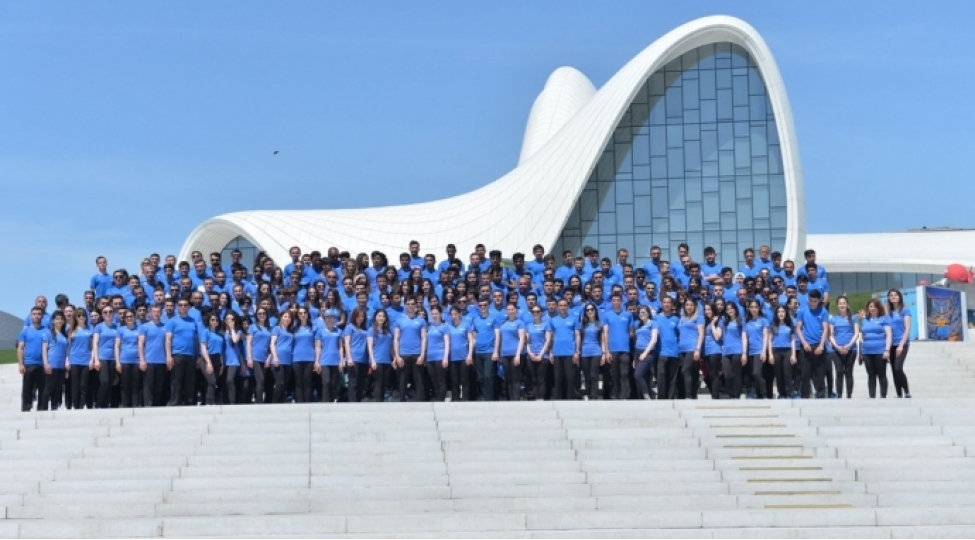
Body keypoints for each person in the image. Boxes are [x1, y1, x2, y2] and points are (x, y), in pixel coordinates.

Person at [165, 298, 200, 406]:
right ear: (177, 307)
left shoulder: (193, 321)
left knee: (189, 380)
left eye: (185, 305)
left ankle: (189, 401)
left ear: (189, 307)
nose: (183, 307)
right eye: (180, 305)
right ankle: (175, 401)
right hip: (177, 354)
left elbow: (196, 339)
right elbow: (168, 339)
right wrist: (168, 356)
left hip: (191, 355)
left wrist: (197, 355)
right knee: (176, 380)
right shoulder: (172, 321)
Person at [795, 290, 829, 398]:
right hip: (806, 346)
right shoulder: (802, 311)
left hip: (818, 345)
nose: (812, 303)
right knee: (805, 372)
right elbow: (798, 328)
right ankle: (805, 395)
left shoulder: (823, 312)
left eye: (815, 301)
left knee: (819, 372)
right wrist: (804, 343)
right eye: (811, 300)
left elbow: (825, 329)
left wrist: (821, 345)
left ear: (819, 300)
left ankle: (820, 395)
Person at [394, 297, 427, 402]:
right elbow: (396, 339)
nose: (410, 306)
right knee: (402, 381)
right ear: (405, 305)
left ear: (416, 305)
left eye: (413, 304)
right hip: (403, 354)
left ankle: (420, 402)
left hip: (417, 353)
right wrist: (397, 356)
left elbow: (423, 338)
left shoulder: (421, 321)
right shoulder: (399, 321)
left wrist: (422, 355)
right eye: (408, 304)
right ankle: (402, 401)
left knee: (419, 381)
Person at [603, 294, 634, 400]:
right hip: (612, 349)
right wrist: (606, 351)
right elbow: (605, 333)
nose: (616, 302)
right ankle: (615, 396)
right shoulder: (607, 315)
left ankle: (624, 396)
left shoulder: (628, 315)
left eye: (618, 300)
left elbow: (631, 332)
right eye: (614, 300)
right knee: (613, 374)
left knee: (624, 374)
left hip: (625, 349)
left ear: (621, 301)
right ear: (611, 302)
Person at [860, 298, 892, 399]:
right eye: (870, 306)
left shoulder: (884, 319)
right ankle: (872, 396)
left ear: (878, 308)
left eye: (874, 306)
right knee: (871, 375)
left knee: (881, 374)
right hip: (867, 351)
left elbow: (889, 335)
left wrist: (887, 350)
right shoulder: (865, 320)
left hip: (880, 351)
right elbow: (862, 337)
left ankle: (883, 395)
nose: (872, 308)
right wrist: (861, 353)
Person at [828, 297, 859, 399]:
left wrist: (849, 345)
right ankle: (839, 395)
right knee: (839, 371)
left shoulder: (853, 317)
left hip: (851, 349)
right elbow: (831, 335)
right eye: (840, 303)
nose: (842, 305)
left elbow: (856, 333)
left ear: (847, 304)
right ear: (837, 305)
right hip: (836, 350)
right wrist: (837, 346)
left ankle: (849, 395)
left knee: (848, 372)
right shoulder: (834, 319)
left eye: (844, 303)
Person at [92, 305, 121, 408]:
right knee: (105, 381)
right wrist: (96, 360)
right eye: (105, 312)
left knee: (110, 384)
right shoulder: (99, 327)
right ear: (102, 314)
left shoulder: (117, 327)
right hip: (102, 358)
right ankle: (99, 404)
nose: (108, 314)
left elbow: (118, 345)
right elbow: (95, 343)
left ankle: (105, 405)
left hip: (113, 358)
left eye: (110, 311)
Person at [577, 302, 608, 401]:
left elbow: (602, 339)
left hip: (596, 352)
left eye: (592, 309)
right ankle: (589, 394)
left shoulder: (599, 324)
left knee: (594, 375)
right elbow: (578, 339)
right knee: (587, 375)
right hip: (584, 353)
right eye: (587, 310)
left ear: (595, 311)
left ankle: (594, 396)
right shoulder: (582, 325)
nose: (590, 311)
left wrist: (603, 353)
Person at [550, 300, 579, 400]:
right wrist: (550, 352)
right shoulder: (553, 320)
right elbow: (551, 337)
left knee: (569, 377)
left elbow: (577, 335)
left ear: (568, 306)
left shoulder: (574, 319)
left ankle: (570, 398)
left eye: (564, 305)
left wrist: (577, 351)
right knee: (558, 377)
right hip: (557, 352)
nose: (562, 307)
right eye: (561, 305)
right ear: (558, 306)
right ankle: (558, 398)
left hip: (569, 352)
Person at [496, 303, 526, 401]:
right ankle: (509, 400)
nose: (510, 311)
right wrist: (499, 353)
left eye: (512, 309)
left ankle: (516, 399)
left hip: (515, 353)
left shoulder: (520, 323)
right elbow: (500, 339)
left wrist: (518, 355)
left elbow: (522, 339)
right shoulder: (503, 323)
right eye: (508, 309)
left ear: (515, 310)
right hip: (504, 354)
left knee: (515, 378)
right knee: (508, 378)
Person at [39, 311, 68, 410]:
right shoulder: (48, 333)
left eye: (61, 319)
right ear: (53, 321)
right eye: (57, 319)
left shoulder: (64, 335)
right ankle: (43, 409)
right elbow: (44, 349)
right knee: (48, 388)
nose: (59, 321)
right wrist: (46, 363)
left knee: (57, 389)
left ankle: (54, 409)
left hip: (61, 367)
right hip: (51, 365)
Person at [743, 299, 770, 399]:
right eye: (751, 307)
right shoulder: (746, 322)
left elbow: (765, 336)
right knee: (750, 374)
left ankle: (764, 394)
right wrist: (744, 353)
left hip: (759, 350)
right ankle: (753, 394)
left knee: (756, 372)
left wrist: (764, 351)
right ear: (748, 309)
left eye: (756, 307)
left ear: (759, 308)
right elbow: (745, 338)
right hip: (749, 352)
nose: (754, 309)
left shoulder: (763, 320)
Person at [887, 289, 912, 398]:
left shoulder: (905, 311)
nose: (893, 297)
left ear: (899, 297)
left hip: (901, 344)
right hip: (890, 345)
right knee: (893, 369)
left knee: (898, 368)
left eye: (895, 295)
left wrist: (901, 345)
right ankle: (899, 394)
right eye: (891, 295)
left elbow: (907, 329)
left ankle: (907, 391)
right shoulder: (888, 313)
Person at [654, 297, 680, 400]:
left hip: (674, 352)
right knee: (661, 376)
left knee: (672, 379)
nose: (666, 304)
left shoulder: (676, 319)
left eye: (669, 302)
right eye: (664, 302)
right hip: (661, 353)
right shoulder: (656, 318)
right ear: (662, 304)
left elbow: (679, 335)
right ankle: (661, 399)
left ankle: (670, 399)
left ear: (672, 305)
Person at [447, 306, 475, 401]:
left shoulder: (466, 325)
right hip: (452, 357)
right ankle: (455, 398)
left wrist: (470, 355)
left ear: (459, 314)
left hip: (464, 357)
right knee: (454, 381)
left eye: (455, 314)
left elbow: (471, 341)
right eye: (452, 314)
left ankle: (465, 399)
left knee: (464, 380)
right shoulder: (448, 327)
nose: (454, 316)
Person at [115, 310, 143, 407]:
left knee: (136, 385)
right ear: (125, 319)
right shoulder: (121, 330)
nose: (129, 318)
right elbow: (117, 346)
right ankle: (125, 406)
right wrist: (118, 362)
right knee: (125, 386)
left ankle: (135, 405)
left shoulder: (140, 329)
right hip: (125, 360)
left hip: (137, 360)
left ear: (135, 317)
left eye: (131, 316)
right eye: (127, 317)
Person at [769, 305, 797, 399]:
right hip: (776, 351)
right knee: (778, 374)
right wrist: (770, 355)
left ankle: (790, 392)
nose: (781, 313)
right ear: (776, 314)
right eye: (779, 312)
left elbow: (792, 340)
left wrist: (793, 354)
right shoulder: (773, 325)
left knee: (787, 373)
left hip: (787, 351)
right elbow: (769, 340)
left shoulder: (790, 324)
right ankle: (782, 393)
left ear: (786, 313)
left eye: (783, 311)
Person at [292, 308, 320, 403]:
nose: (302, 315)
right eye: (300, 313)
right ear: (298, 315)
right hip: (296, 358)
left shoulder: (313, 327)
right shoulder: (294, 328)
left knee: (307, 382)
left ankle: (307, 403)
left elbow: (317, 345)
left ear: (308, 314)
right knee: (298, 382)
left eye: (304, 313)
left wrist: (317, 360)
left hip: (309, 358)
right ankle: (300, 403)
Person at [525, 304, 552, 401]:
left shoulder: (546, 325)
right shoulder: (528, 326)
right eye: (534, 312)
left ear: (541, 313)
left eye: (538, 312)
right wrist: (530, 353)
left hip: (542, 355)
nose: (536, 313)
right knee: (533, 378)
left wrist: (541, 354)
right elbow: (526, 342)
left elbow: (547, 341)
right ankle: (535, 396)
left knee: (541, 378)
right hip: (531, 355)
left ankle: (541, 397)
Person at [246, 309, 273, 404]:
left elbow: (271, 345)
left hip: (265, 358)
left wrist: (269, 358)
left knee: (262, 381)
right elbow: (248, 343)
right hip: (255, 357)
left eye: (264, 313)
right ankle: (259, 401)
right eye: (259, 313)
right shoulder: (252, 327)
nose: (262, 315)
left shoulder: (269, 328)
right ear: (256, 315)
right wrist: (249, 357)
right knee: (260, 379)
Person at [68, 309, 93, 410]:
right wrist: (67, 360)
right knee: (75, 385)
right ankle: (75, 405)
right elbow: (68, 347)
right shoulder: (71, 331)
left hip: (86, 361)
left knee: (84, 385)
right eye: (79, 316)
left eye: (83, 315)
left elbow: (92, 347)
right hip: (74, 360)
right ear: (76, 317)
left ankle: (82, 405)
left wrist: (92, 359)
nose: (81, 317)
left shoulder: (89, 330)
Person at [367, 309, 394, 402]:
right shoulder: (371, 330)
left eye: (383, 316)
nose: (381, 318)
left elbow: (391, 347)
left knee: (384, 382)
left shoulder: (388, 331)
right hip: (376, 360)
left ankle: (382, 401)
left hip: (386, 360)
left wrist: (393, 358)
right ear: (375, 317)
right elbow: (369, 346)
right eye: (379, 316)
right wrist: (372, 360)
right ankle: (378, 402)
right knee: (378, 382)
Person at [424, 305, 450, 402]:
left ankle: (440, 400)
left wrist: (445, 357)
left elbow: (447, 343)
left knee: (441, 380)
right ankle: (438, 397)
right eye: (433, 314)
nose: (434, 315)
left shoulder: (444, 327)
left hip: (440, 356)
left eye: (436, 313)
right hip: (430, 357)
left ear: (440, 314)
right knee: (433, 380)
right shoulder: (429, 327)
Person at [317, 310, 343, 403]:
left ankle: (333, 400)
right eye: (327, 317)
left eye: (331, 317)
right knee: (326, 382)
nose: (329, 319)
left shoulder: (339, 331)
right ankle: (325, 402)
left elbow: (340, 347)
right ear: (324, 318)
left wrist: (341, 361)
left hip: (335, 360)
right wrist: (317, 361)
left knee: (333, 383)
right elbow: (318, 347)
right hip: (324, 360)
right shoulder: (320, 332)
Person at [632, 306, 658, 400]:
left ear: (648, 313)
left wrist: (645, 353)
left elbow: (654, 340)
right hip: (638, 352)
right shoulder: (638, 325)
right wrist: (635, 358)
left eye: (643, 312)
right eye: (640, 313)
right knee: (644, 376)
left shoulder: (653, 324)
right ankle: (646, 396)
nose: (641, 314)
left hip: (648, 352)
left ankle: (646, 396)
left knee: (638, 375)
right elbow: (637, 341)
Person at [721, 303, 746, 399]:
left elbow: (744, 337)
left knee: (737, 374)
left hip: (737, 350)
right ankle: (731, 394)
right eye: (727, 309)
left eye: (731, 308)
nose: (730, 310)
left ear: (735, 309)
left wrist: (744, 353)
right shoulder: (724, 321)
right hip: (726, 352)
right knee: (727, 375)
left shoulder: (741, 321)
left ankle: (737, 394)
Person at [270, 311, 295, 403]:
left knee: (284, 385)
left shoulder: (290, 331)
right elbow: (272, 344)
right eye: (285, 316)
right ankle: (274, 402)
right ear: (280, 318)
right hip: (278, 359)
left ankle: (281, 403)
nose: (287, 319)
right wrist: (275, 357)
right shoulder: (277, 329)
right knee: (279, 383)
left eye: (289, 317)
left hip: (288, 361)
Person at [198, 313, 223, 406]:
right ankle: (209, 402)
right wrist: (208, 362)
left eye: (216, 320)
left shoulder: (220, 334)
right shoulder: (205, 332)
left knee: (211, 382)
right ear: (209, 321)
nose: (214, 322)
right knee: (211, 380)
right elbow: (203, 347)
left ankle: (208, 401)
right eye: (212, 320)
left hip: (217, 359)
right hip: (207, 358)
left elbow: (221, 350)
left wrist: (221, 363)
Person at [702, 303, 724, 399]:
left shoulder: (719, 321)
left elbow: (717, 336)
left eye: (709, 309)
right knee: (708, 375)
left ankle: (716, 397)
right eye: (705, 309)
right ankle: (714, 394)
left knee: (714, 374)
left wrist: (712, 324)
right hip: (705, 351)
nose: (707, 311)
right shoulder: (705, 321)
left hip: (715, 350)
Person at [222, 312, 243, 404]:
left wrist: (232, 329)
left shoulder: (239, 331)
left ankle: (232, 401)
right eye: (227, 319)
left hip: (233, 360)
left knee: (230, 380)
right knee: (223, 382)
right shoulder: (221, 332)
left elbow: (235, 340)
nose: (230, 321)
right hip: (223, 360)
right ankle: (225, 400)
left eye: (232, 319)